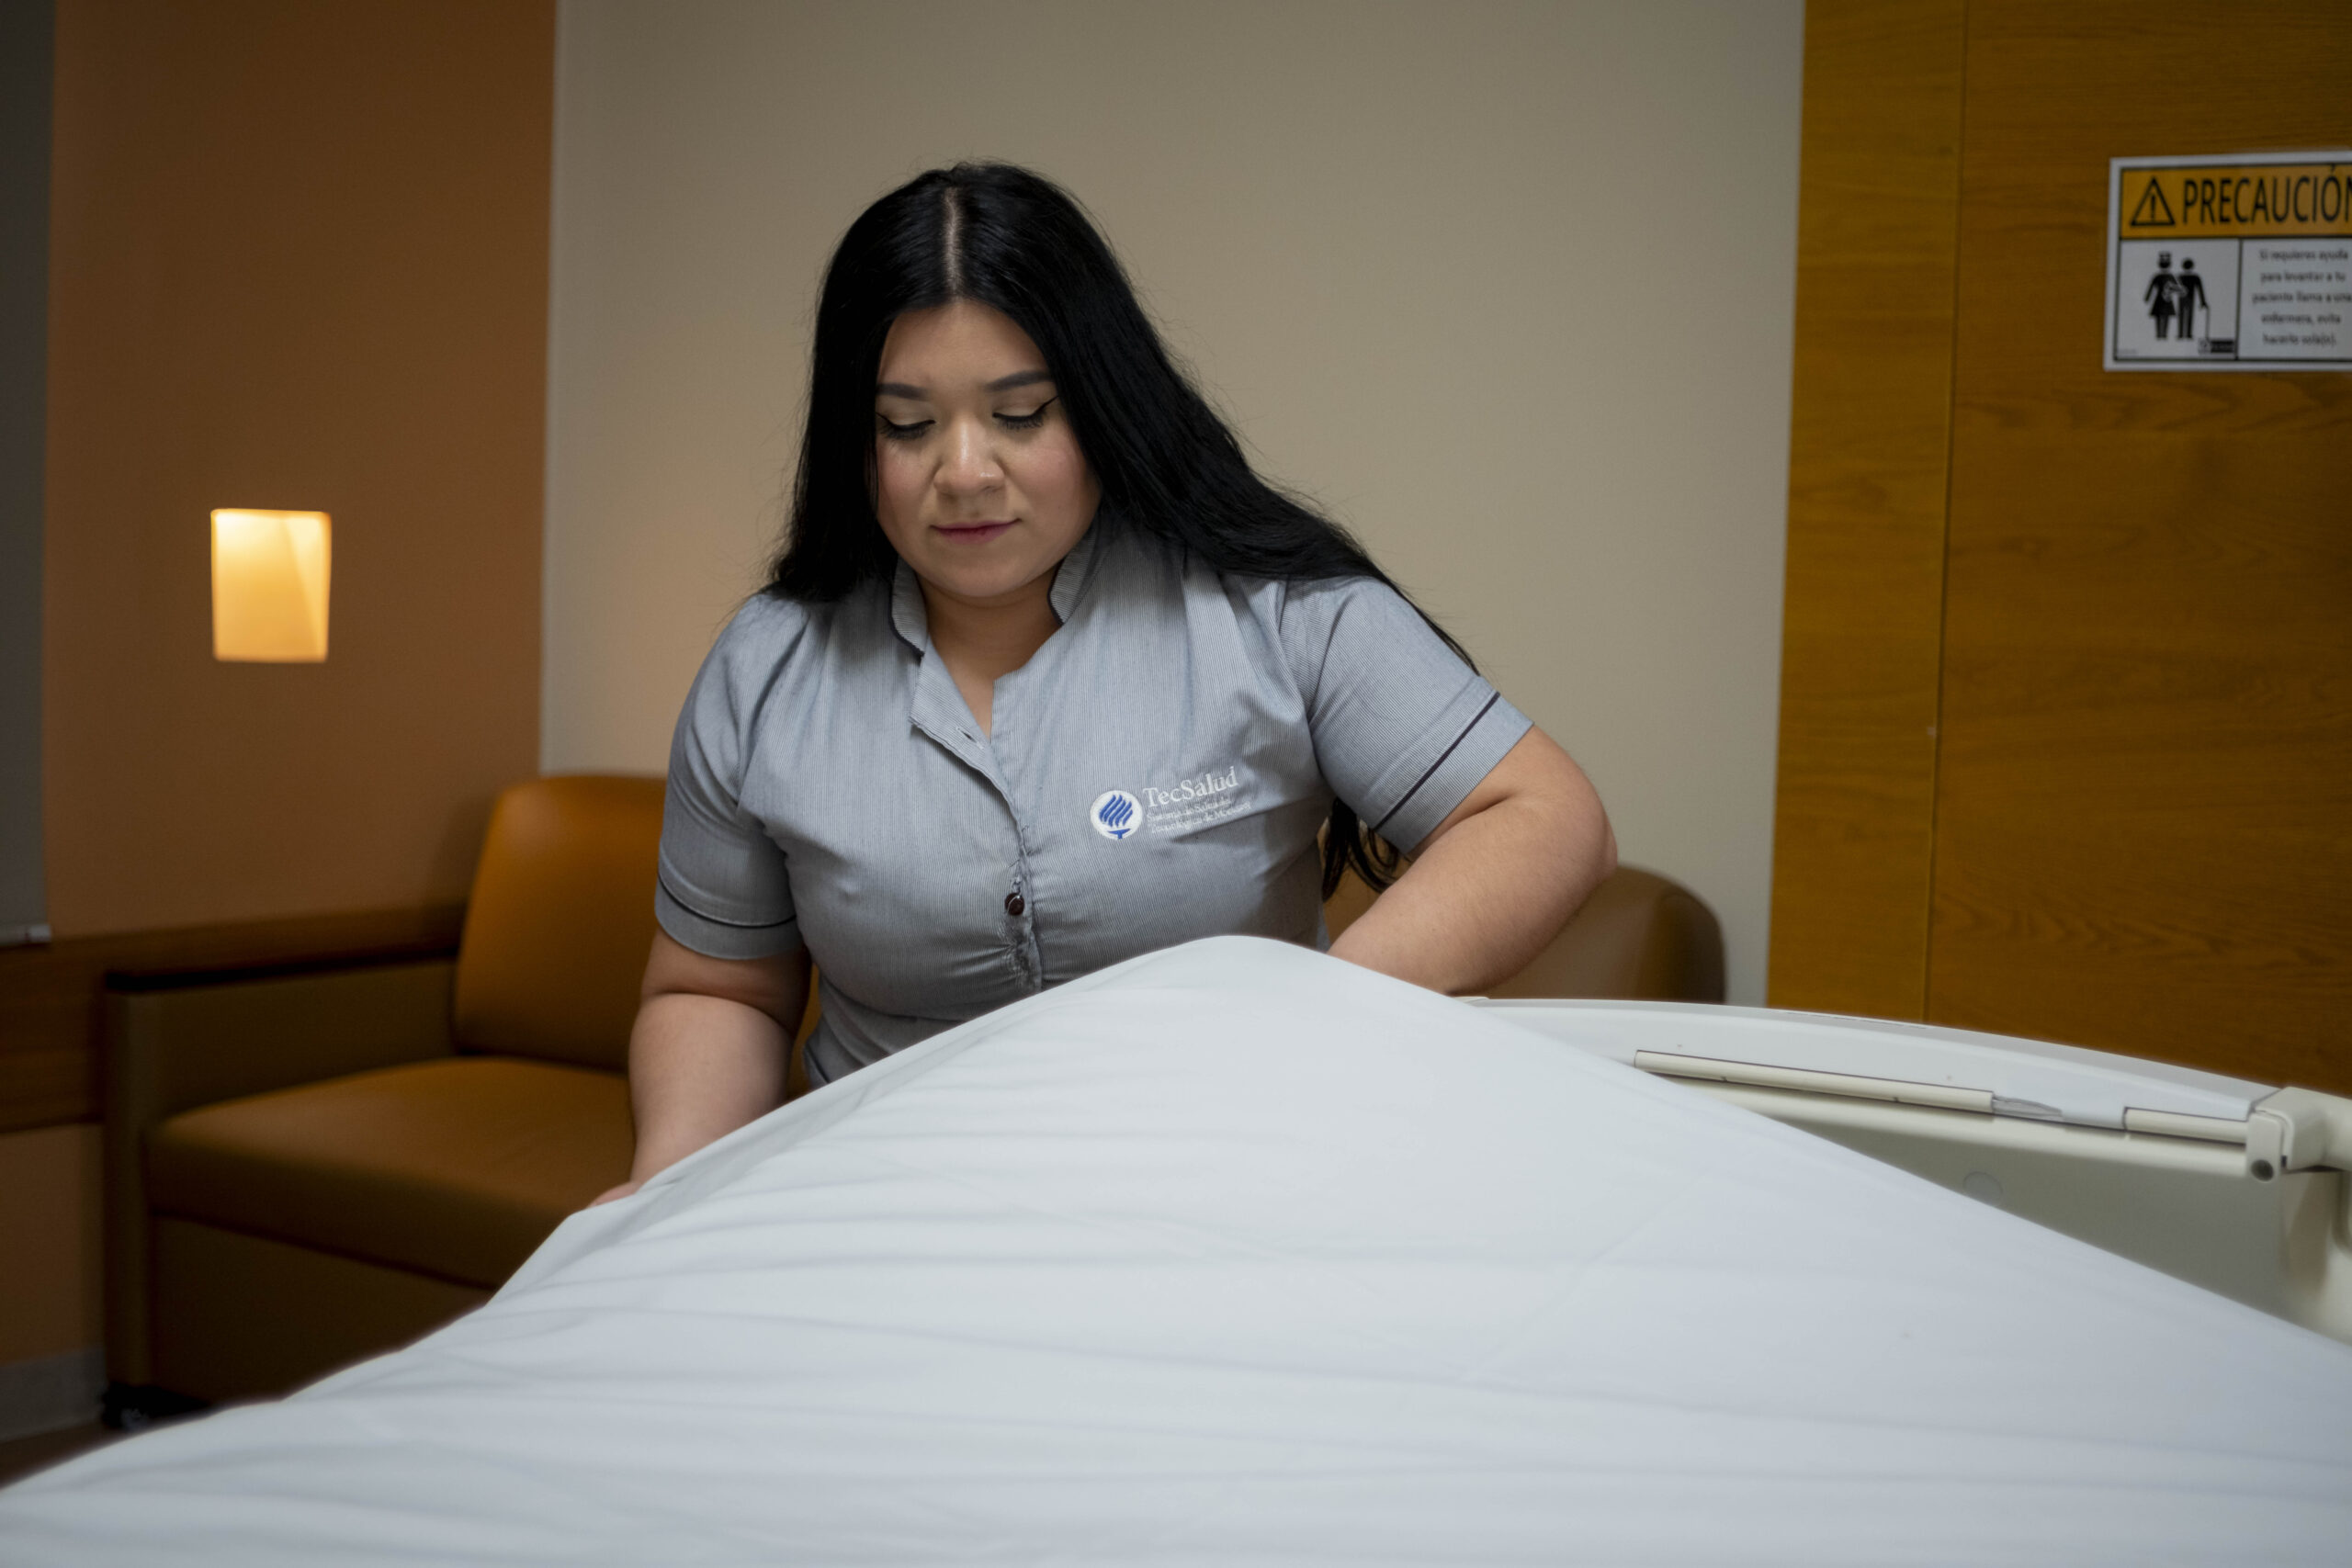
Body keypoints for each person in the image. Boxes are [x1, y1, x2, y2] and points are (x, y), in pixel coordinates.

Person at [593, 164, 1614, 1205]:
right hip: (885, 1215)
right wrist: (663, 1190)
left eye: (1020, 414)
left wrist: (1319, 1020)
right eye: (906, 425)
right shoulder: (766, 670)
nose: (964, 471)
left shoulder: (1269, 609)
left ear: (1101, 404)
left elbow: (1542, 815)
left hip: (1231, 1193)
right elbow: (718, 991)